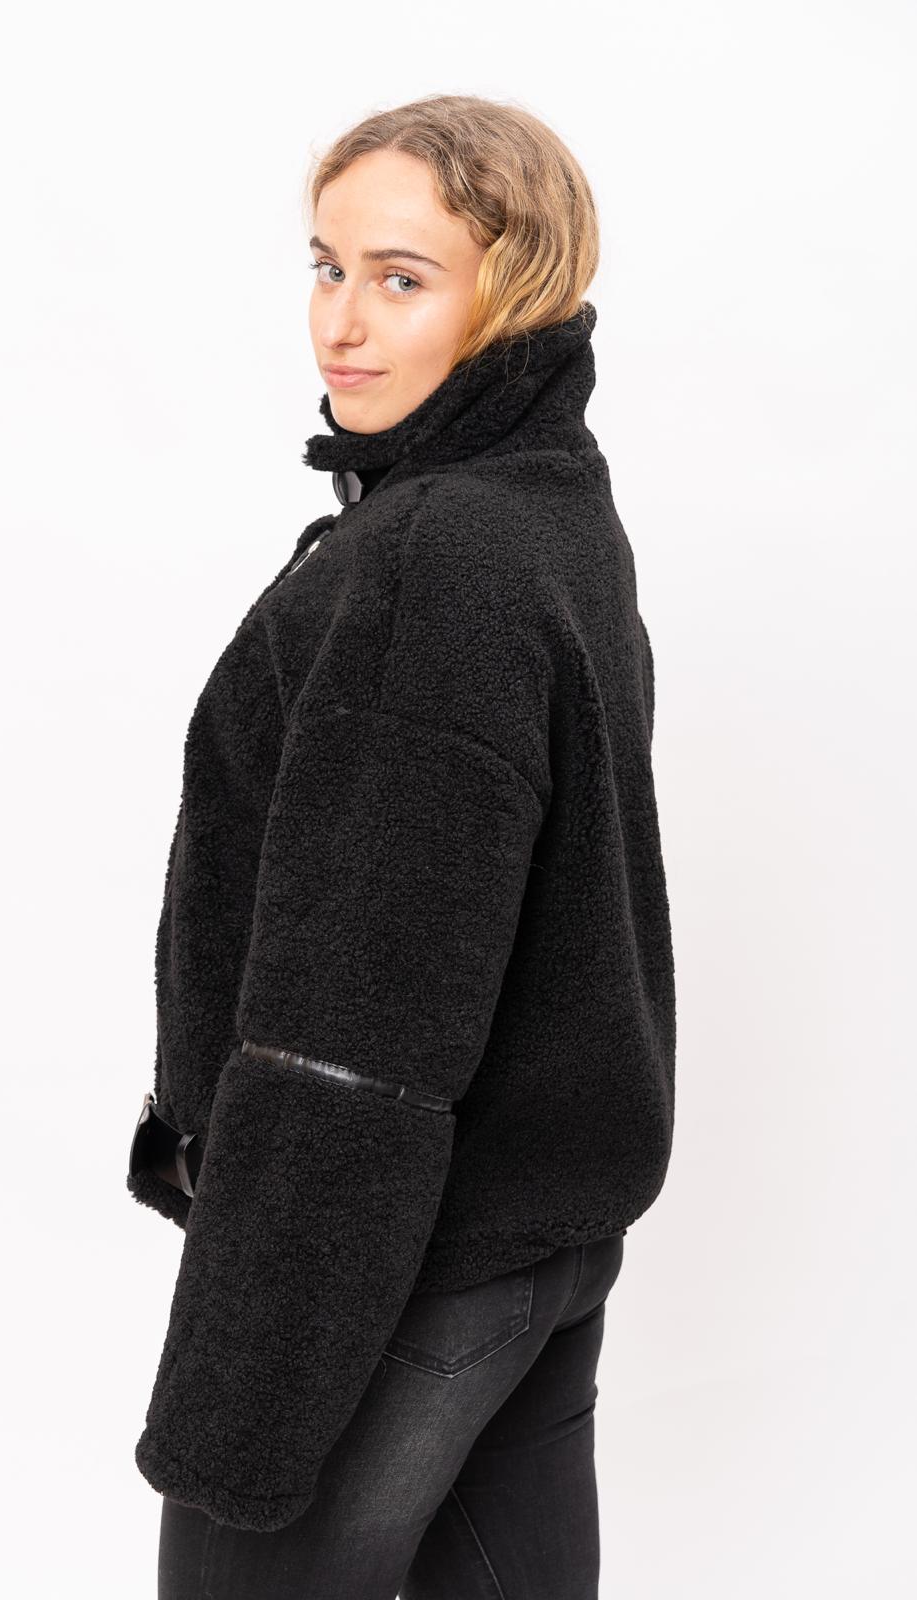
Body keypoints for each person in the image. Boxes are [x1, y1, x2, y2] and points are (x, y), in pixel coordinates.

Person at [127, 93, 676, 1600]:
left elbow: (359, 1018)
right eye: (327, 266)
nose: (342, 323)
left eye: (402, 277)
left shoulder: (432, 557)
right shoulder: (551, 507)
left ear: (516, 291)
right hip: (537, 1233)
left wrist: (257, 1364)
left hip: (386, 1259)